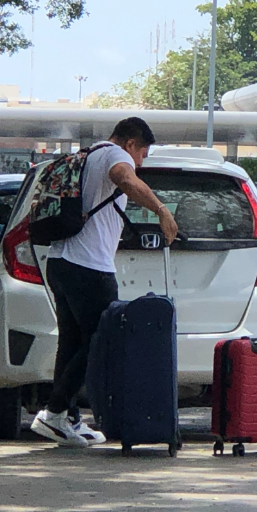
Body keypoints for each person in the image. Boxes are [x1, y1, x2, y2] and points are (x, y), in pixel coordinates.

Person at [32, 116, 179, 447]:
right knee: (99, 341)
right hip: (89, 267)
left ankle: (66, 419)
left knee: (71, 343)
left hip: (61, 260)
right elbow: (124, 179)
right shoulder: (117, 157)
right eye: (143, 153)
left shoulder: (88, 154)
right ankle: (54, 411)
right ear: (130, 144)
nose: (141, 162)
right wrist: (161, 209)